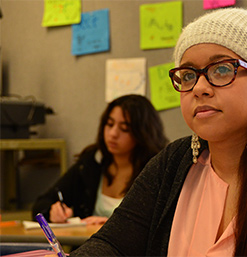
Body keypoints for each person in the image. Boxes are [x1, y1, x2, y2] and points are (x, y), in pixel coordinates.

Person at [66, 8, 247, 256]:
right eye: (189, 74)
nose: (199, 88)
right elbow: (112, 244)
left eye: (221, 70)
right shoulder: (171, 164)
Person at [32, 94, 169, 225]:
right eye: (109, 124)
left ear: (143, 133)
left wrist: (112, 226)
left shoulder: (156, 171)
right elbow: (40, 204)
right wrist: (52, 212)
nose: (113, 134)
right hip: (87, 247)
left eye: (124, 129)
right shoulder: (91, 162)